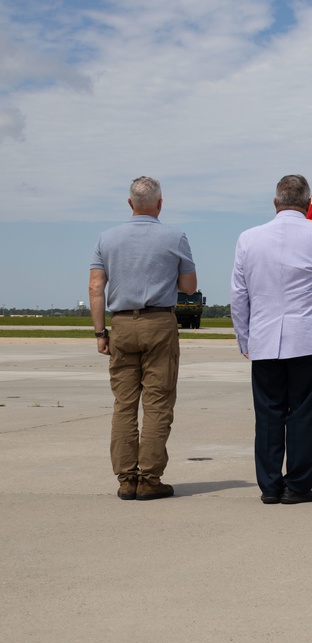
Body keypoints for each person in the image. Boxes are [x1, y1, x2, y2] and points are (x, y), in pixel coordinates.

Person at [231, 174, 312, 505]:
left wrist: (245, 339)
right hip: (309, 339)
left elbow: (238, 295)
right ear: (308, 203)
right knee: (305, 413)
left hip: (265, 338)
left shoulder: (248, 239)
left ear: (275, 202)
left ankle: (269, 486)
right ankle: (297, 485)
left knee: (268, 413)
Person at [89, 176, 197, 501]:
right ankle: (150, 479)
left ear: (130, 204)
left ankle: (126, 480)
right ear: (160, 204)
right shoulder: (175, 237)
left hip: (121, 324)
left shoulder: (106, 239)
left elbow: (96, 287)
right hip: (159, 324)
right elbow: (190, 287)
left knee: (124, 405)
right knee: (157, 404)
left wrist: (99, 333)